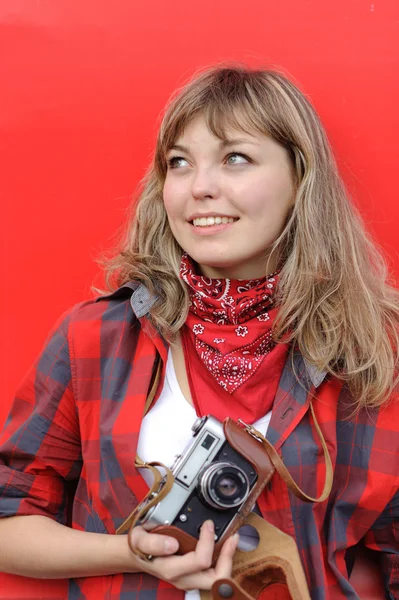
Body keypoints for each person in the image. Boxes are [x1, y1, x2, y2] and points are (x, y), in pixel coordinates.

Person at [0, 63, 398, 600]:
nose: (200, 187)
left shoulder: (370, 352)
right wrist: (135, 551)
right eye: (179, 164)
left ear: (300, 177)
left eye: (235, 158)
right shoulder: (96, 339)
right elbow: (8, 521)